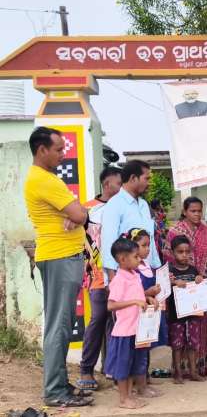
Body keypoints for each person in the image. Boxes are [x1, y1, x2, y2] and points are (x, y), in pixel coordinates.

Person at [24, 127, 91, 407]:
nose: (63, 154)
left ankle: (60, 384)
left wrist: (78, 214)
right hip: (59, 257)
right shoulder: (44, 180)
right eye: (59, 149)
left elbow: (79, 213)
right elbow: (80, 213)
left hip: (62, 256)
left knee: (62, 324)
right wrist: (78, 214)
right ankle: (54, 391)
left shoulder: (44, 178)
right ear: (42, 150)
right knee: (59, 326)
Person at [77, 166, 122, 391]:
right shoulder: (87, 209)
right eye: (118, 183)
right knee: (98, 319)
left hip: (120, 274)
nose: (121, 187)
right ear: (106, 184)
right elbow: (78, 238)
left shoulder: (123, 207)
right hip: (96, 275)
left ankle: (111, 368)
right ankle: (86, 369)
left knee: (117, 321)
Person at [163, 197, 207, 376]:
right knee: (179, 330)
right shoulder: (174, 232)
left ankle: (201, 366)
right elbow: (167, 260)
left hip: (201, 289)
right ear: (184, 211)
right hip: (180, 292)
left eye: (199, 211)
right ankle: (181, 368)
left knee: (201, 325)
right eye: (192, 211)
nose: (196, 214)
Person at [104, 238, 149, 409]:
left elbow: (138, 296)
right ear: (123, 259)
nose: (139, 259)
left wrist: (147, 298)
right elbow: (111, 305)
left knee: (131, 365)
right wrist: (134, 302)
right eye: (135, 257)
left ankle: (129, 396)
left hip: (136, 330)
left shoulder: (134, 275)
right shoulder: (119, 280)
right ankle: (123, 399)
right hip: (124, 331)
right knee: (123, 367)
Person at [101, 160, 161, 285]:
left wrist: (157, 268)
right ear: (133, 178)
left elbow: (150, 240)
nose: (149, 183)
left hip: (147, 273)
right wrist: (112, 278)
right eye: (146, 179)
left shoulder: (143, 205)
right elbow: (108, 243)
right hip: (126, 278)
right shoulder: (114, 204)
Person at [127, 228, 168, 387]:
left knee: (147, 344)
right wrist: (148, 293)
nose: (147, 249)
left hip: (149, 313)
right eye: (143, 245)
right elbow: (130, 295)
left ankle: (145, 377)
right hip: (137, 314)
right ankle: (138, 381)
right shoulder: (132, 269)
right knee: (138, 348)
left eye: (148, 245)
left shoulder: (147, 266)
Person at [166, 235, 206, 384]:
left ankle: (193, 372)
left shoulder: (193, 269)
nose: (184, 255)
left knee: (193, 343)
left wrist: (199, 280)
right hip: (176, 315)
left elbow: (199, 285)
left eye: (187, 251)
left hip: (193, 314)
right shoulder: (169, 272)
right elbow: (163, 289)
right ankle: (177, 373)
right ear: (172, 252)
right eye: (180, 252)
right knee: (177, 345)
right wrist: (173, 282)